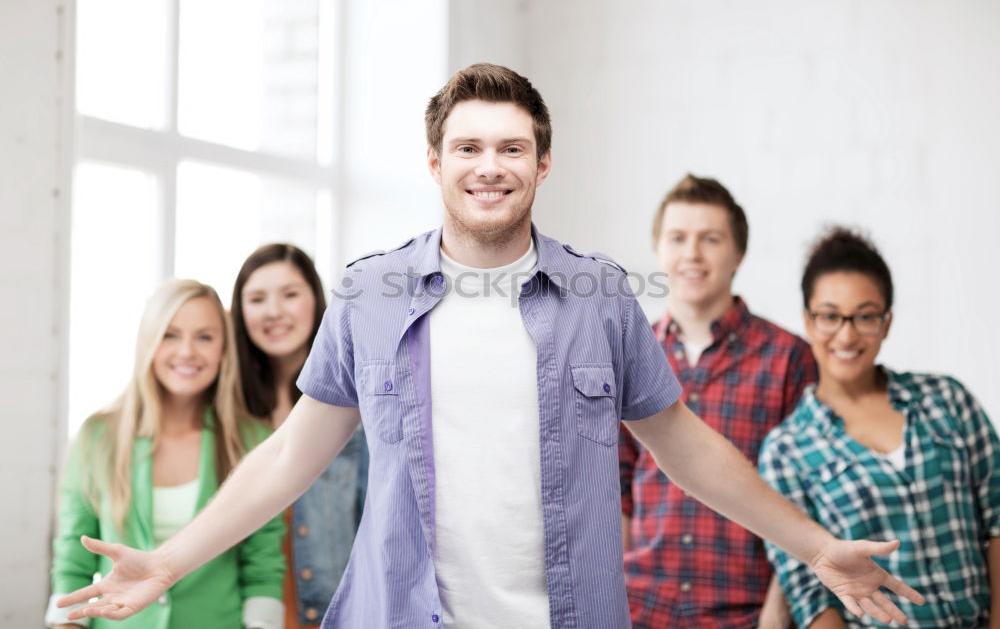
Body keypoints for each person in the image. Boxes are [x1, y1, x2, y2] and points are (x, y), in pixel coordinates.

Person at [59, 64, 924, 629]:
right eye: (468, 146)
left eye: (512, 147)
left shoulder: (599, 298)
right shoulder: (370, 294)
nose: (490, 165)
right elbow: (291, 456)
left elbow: (686, 446)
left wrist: (815, 546)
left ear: (544, 164)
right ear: (434, 161)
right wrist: (168, 562)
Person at [759, 227, 1000, 628]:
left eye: (866, 316)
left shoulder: (947, 399)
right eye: (830, 316)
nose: (847, 334)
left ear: (886, 323)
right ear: (807, 321)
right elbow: (810, 594)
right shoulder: (786, 450)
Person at [619, 174, 817, 628]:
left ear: (738, 254)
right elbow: (618, 491)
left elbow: (803, 499)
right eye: (678, 238)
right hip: (642, 611)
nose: (692, 254)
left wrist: (774, 619)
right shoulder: (631, 352)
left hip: (744, 615)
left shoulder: (788, 358)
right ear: (659, 250)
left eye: (710, 239)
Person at [46, 279, 284, 629]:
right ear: (148, 343)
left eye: (205, 337)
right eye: (170, 335)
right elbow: (73, 560)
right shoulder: (98, 436)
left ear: (223, 349)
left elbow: (263, 562)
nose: (187, 351)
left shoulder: (251, 439)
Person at [232, 244, 368, 627]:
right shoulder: (229, 411)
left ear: (316, 299)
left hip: (330, 613)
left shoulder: (354, 408)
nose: (274, 311)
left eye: (290, 294)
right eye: (257, 298)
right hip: (246, 613)